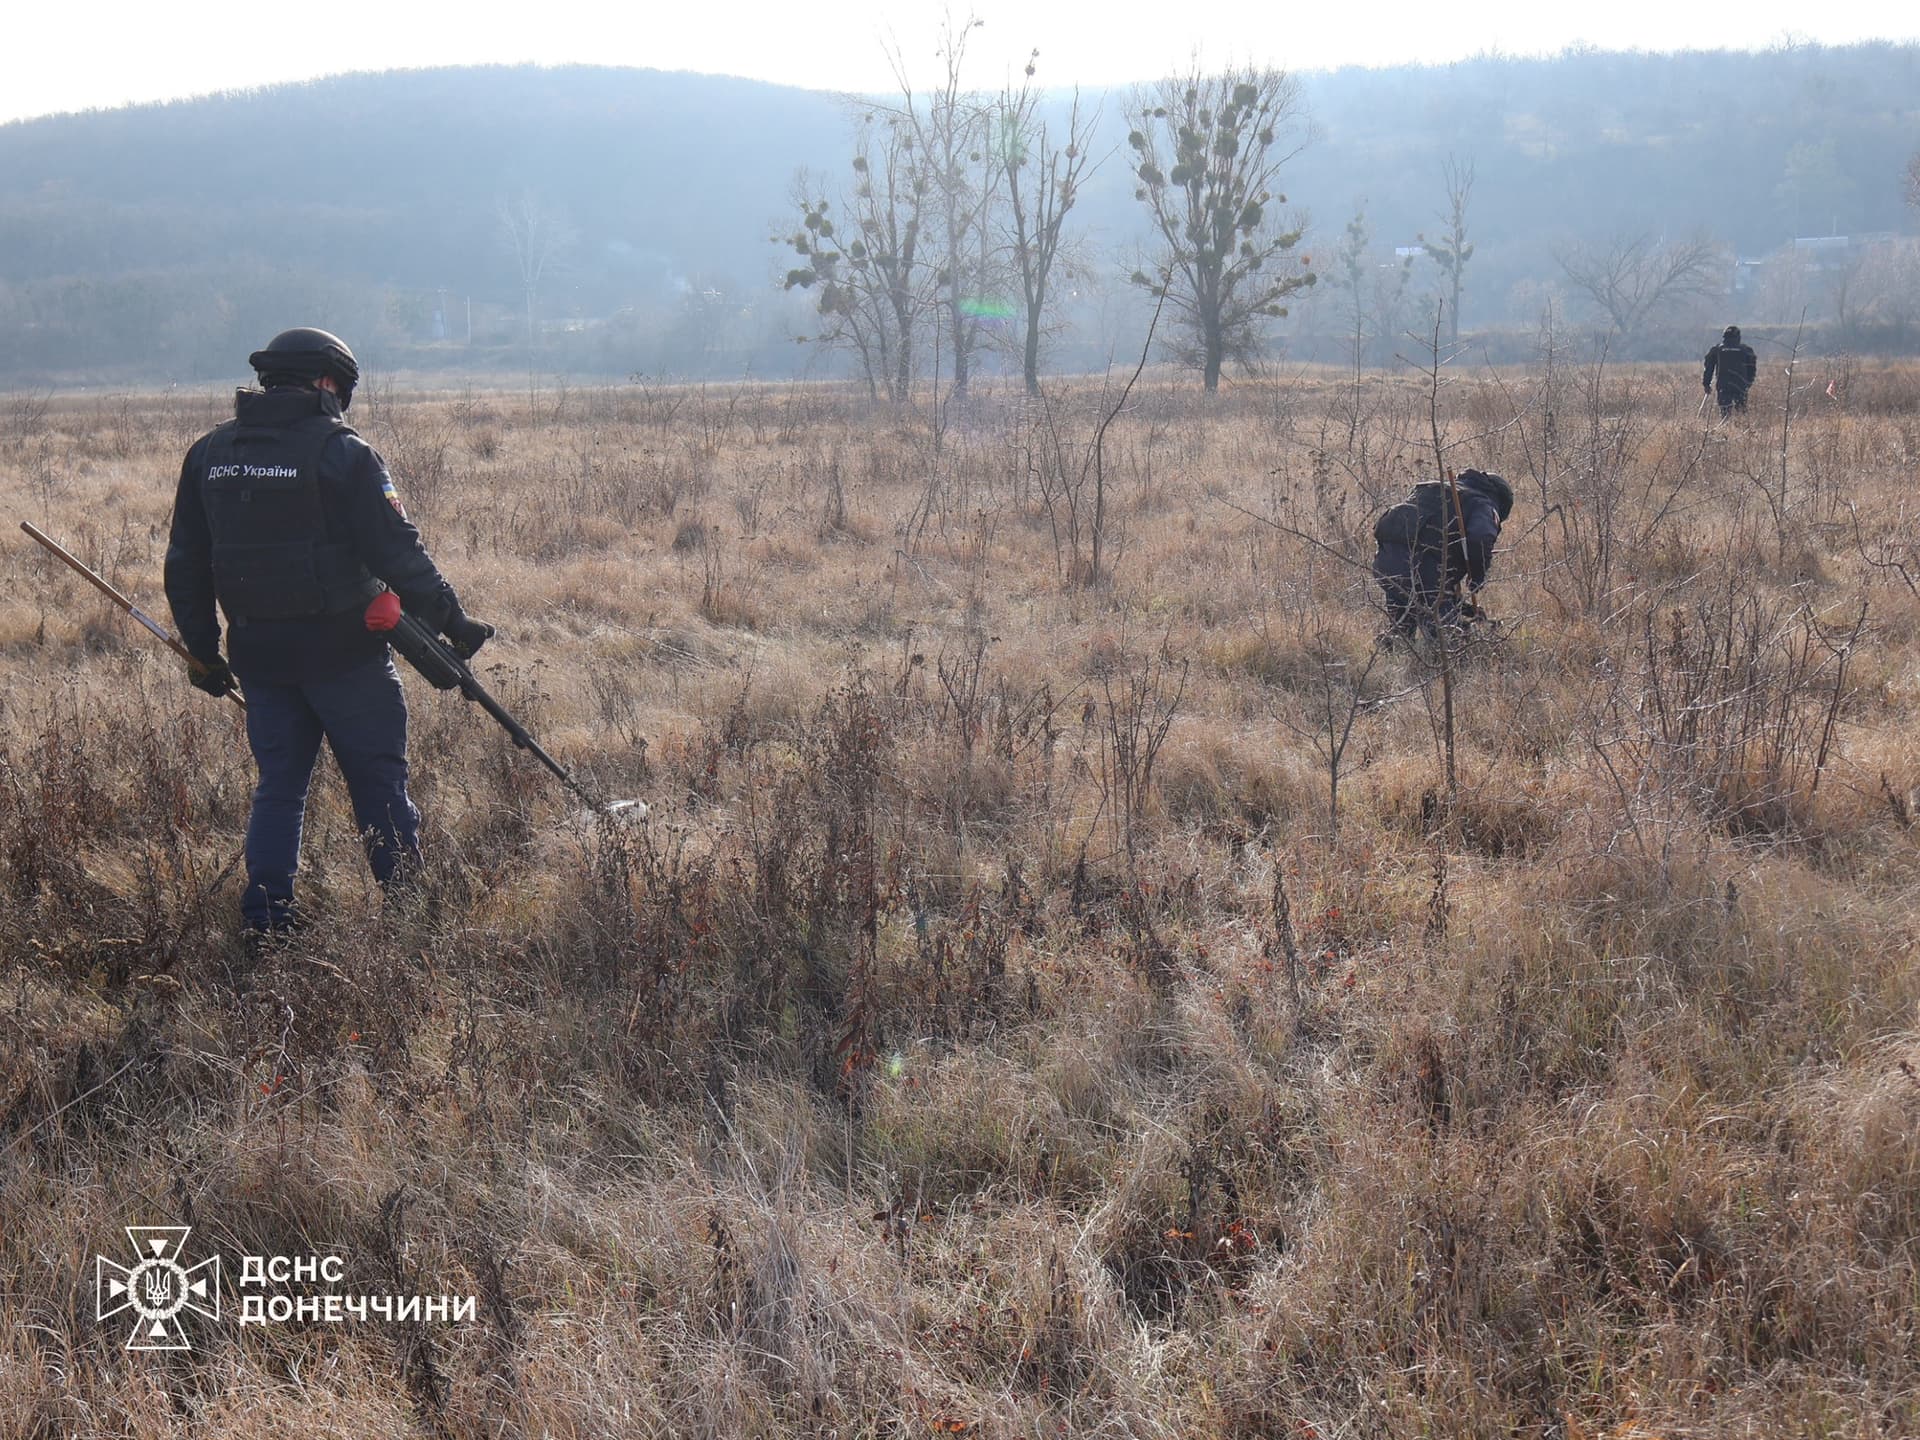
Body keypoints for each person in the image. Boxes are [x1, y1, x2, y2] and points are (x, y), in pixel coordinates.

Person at [164, 327, 493, 937]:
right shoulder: (344, 452)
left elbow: (185, 562)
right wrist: (454, 619)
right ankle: (408, 916)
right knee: (378, 787)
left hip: (259, 656)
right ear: (326, 382)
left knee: (279, 790)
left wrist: (203, 651)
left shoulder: (209, 453)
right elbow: (399, 552)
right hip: (346, 657)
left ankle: (266, 925)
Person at [1372, 469, 1513, 639]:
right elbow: (1480, 537)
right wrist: (1477, 576)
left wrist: (1461, 606)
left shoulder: (1435, 488)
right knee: (1447, 638)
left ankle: (1389, 656)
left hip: (1385, 563)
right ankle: (1453, 662)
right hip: (1423, 567)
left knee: (1401, 629)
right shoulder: (1484, 503)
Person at [1702, 324, 1758, 417]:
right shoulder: (1746, 350)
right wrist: (1748, 383)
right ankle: (1741, 429)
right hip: (1740, 386)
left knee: (1725, 413)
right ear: (1738, 337)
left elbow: (1708, 367)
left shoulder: (1717, 349)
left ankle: (1726, 429)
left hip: (1723, 386)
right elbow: (1752, 369)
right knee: (1741, 413)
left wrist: (1706, 384)